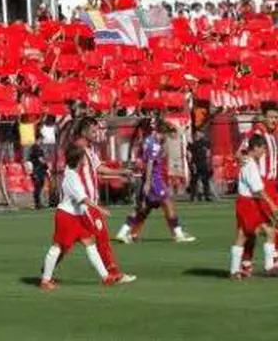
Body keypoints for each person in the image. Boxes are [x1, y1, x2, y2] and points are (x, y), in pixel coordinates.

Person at [40, 146, 136, 290]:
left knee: (90, 243)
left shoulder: (72, 174)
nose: (85, 160)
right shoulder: (72, 176)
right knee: (58, 246)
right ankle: (45, 280)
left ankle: (105, 277)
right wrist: (100, 209)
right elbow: (83, 198)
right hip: (66, 216)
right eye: (83, 158)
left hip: (77, 216)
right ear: (79, 160)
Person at [69, 117, 131, 282]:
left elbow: (98, 168)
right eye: (94, 130)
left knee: (68, 240)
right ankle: (113, 273)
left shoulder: (88, 149)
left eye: (97, 130)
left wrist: (121, 172)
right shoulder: (77, 149)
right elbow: (71, 174)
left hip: (89, 203)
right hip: (85, 203)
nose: (96, 134)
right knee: (102, 236)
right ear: (84, 131)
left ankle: (48, 269)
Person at [115, 119, 196, 244]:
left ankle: (123, 232)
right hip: (154, 180)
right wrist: (148, 182)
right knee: (168, 203)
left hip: (151, 179)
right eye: (168, 135)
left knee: (143, 209)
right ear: (163, 132)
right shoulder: (155, 144)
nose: (168, 138)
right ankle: (179, 234)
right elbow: (150, 163)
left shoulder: (148, 140)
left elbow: (146, 158)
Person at [237, 105, 278, 276]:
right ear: (262, 117)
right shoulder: (256, 135)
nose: (274, 120)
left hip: (272, 182)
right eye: (271, 117)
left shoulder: (272, 136)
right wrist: (247, 168)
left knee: (253, 228)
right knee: (265, 224)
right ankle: (273, 261)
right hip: (262, 184)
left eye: (276, 117)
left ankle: (247, 262)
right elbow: (240, 153)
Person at [186, 127, 214, 202]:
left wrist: (209, 163)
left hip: (203, 163)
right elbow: (189, 154)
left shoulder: (206, 142)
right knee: (194, 180)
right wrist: (190, 163)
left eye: (199, 133)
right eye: (196, 133)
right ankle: (192, 196)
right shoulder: (192, 143)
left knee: (205, 180)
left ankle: (207, 195)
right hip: (195, 163)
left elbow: (209, 153)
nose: (198, 135)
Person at [28, 141, 49, 210]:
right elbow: (41, 160)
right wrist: (46, 166)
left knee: (38, 187)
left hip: (36, 170)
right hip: (38, 171)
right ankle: (37, 204)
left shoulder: (32, 150)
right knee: (38, 187)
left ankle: (38, 203)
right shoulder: (37, 149)